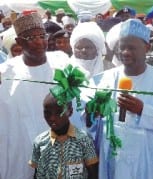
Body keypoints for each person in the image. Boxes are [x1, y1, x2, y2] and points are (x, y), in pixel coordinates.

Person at [88, 19, 153, 179]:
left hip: (150, 159)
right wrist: (92, 113)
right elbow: (89, 122)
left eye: (132, 48)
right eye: (122, 48)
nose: (126, 52)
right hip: (115, 159)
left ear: (147, 48)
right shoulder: (104, 80)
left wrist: (144, 111)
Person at [0, 11, 71, 179]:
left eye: (42, 36)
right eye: (32, 38)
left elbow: (83, 94)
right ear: (19, 42)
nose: (40, 42)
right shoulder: (6, 72)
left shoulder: (62, 62)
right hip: (21, 149)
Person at [29, 93, 98, 178]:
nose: (52, 118)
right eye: (47, 113)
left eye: (59, 112)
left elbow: (93, 174)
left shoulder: (84, 140)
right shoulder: (40, 141)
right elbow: (37, 174)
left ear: (70, 111)